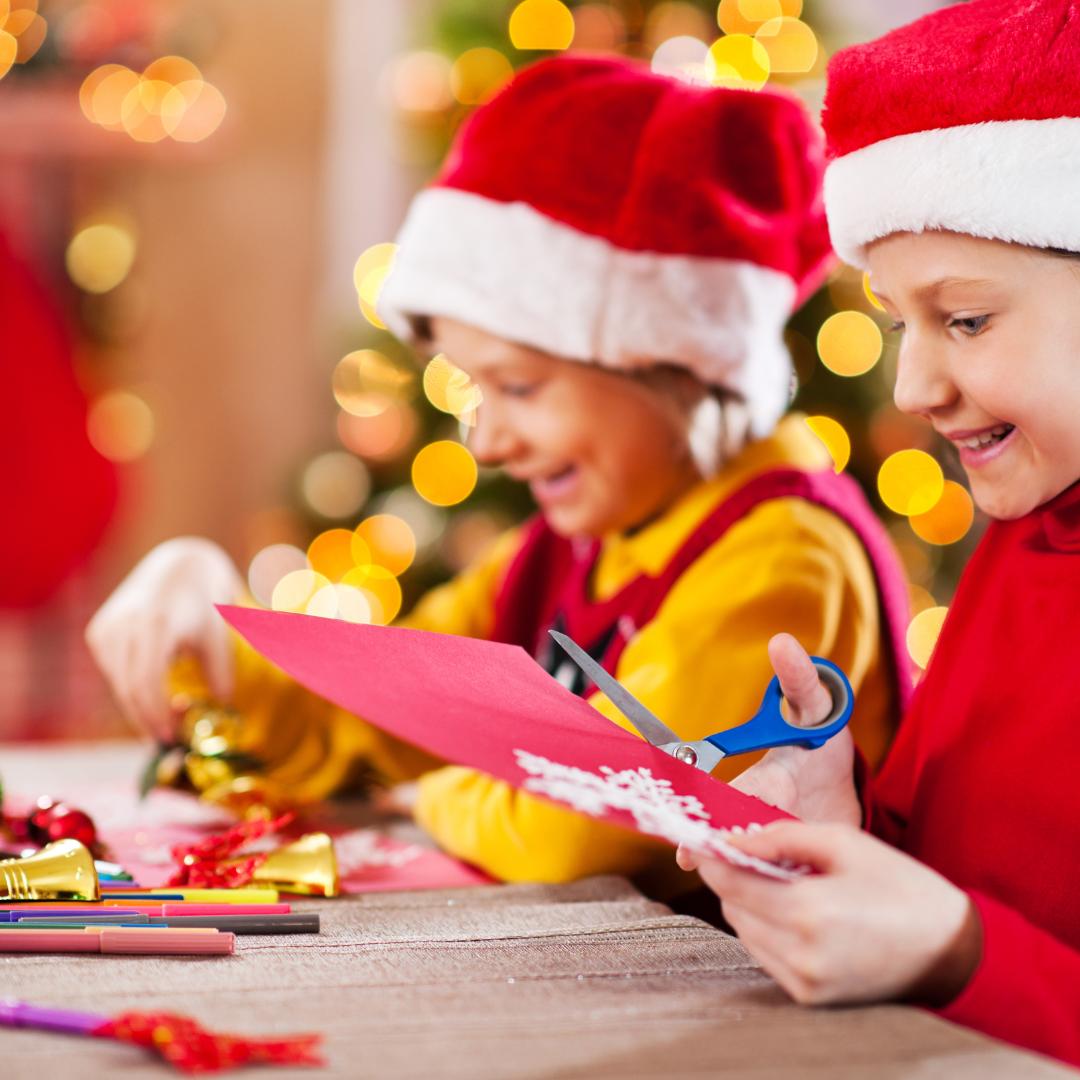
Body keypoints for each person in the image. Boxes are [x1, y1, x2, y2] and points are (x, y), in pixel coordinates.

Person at [87, 55, 910, 887]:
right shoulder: (563, 552)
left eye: (518, 386)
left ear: (677, 364)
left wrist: (427, 797)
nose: (485, 443)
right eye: (475, 390)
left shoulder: (784, 560)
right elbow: (367, 709)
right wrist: (204, 629)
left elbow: (591, 825)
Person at [678, 0, 1080, 1065]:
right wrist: (842, 826)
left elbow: (977, 939)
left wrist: (959, 953)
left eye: (966, 319)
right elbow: (970, 869)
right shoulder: (1025, 531)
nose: (911, 384)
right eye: (902, 323)